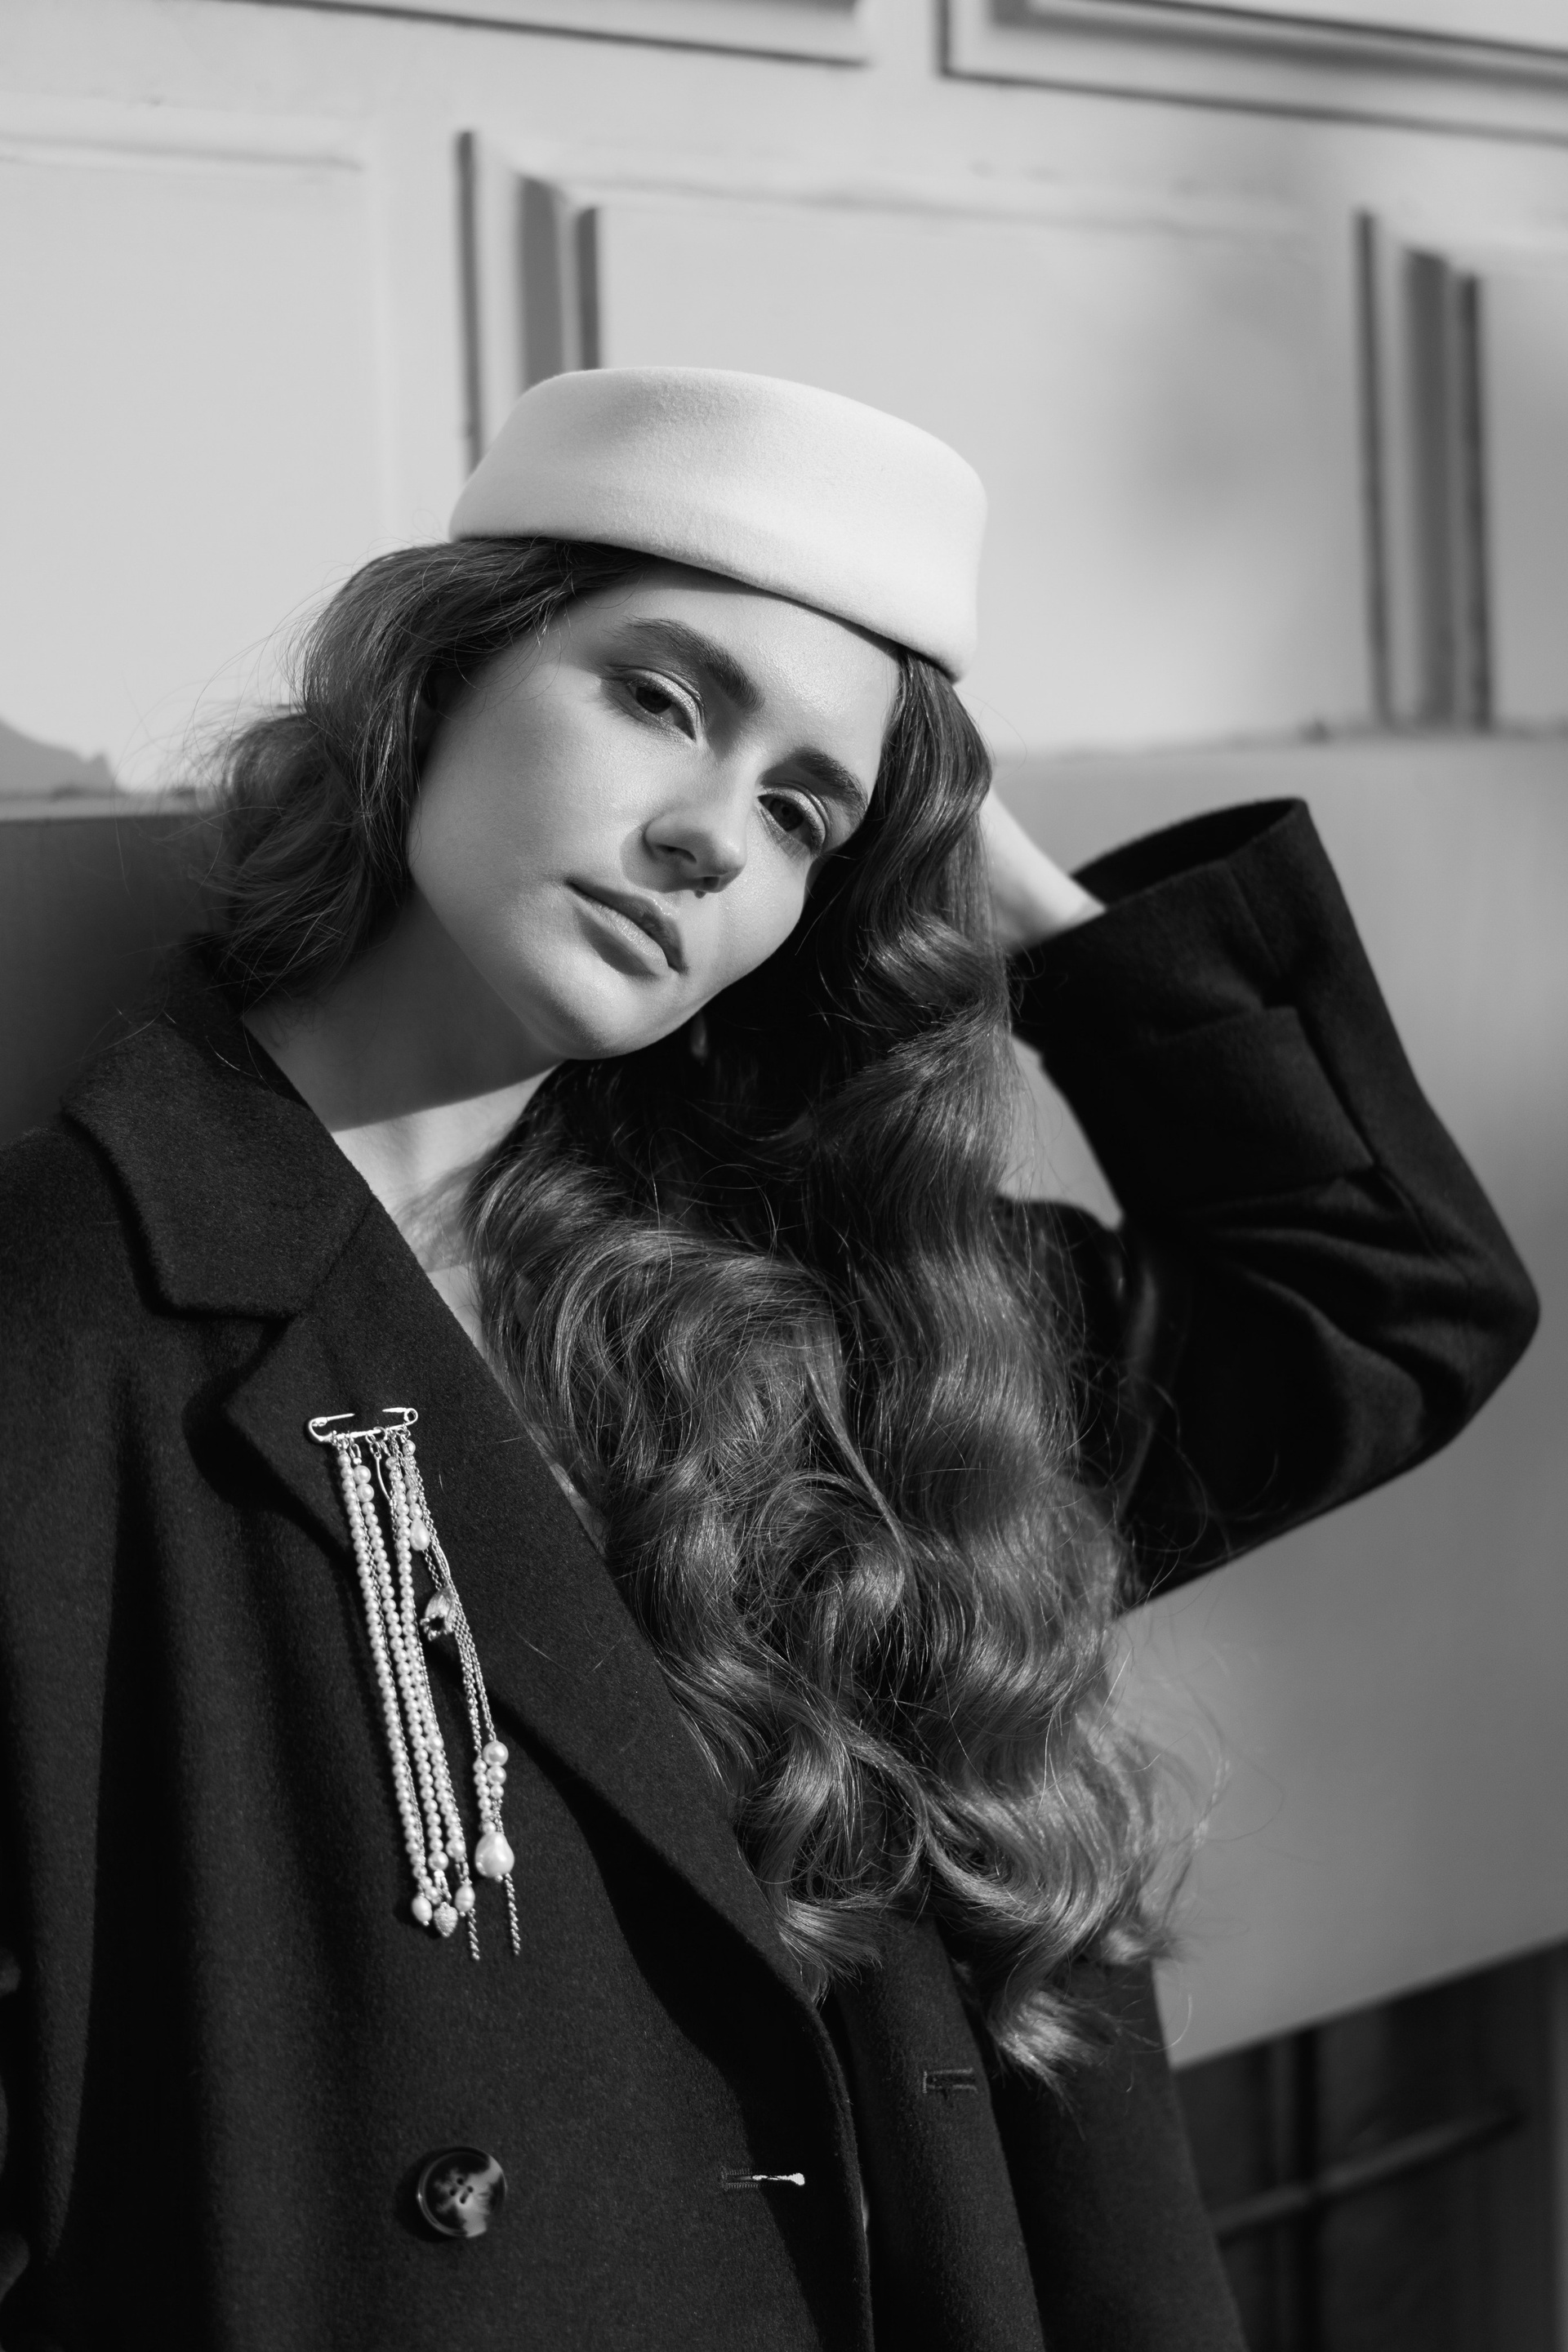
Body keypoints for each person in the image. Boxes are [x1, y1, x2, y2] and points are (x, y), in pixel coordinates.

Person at [0, 368, 1537, 2352]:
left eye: (806, 810)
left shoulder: (818, 1324)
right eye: (661, 697)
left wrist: (983, 875)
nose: (711, 838)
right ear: (431, 680)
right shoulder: (76, 1305)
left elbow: (1383, 1300)